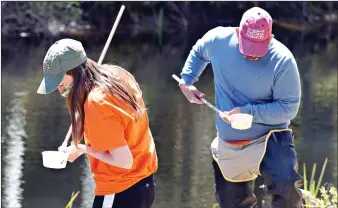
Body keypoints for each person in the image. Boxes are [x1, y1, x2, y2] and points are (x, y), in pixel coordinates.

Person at [178, 7, 302, 208]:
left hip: (269, 137)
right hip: (229, 143)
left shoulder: (283, 61)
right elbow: (200, 51)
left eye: (258, 48)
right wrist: (187, 80)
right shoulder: (218, 40)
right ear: (238, 32)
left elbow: (288, 108)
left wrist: (248, 113)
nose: (252, 56)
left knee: (286, 185)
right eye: (248, 48)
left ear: (270, 37)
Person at [37, 39, 158, 208]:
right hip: (144, 184)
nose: (60, 90)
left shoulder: (97, 103)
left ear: (74, 72)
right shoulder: (117, 76)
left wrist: (81, 149)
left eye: (61, 84)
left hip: (120, 191)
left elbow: (124, 161)